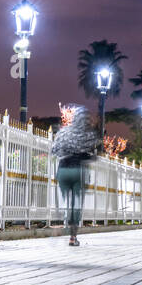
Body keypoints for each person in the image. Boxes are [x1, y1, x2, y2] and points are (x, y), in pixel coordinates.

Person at [50, 103, 97, 246]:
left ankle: (63, 215)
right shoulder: (88, 133)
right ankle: (73, 236)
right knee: (76, 203)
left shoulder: (63, 132)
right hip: (78, 171)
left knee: (66, 199)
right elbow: (93, 154)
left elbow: (54, 151)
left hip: (63, 170)